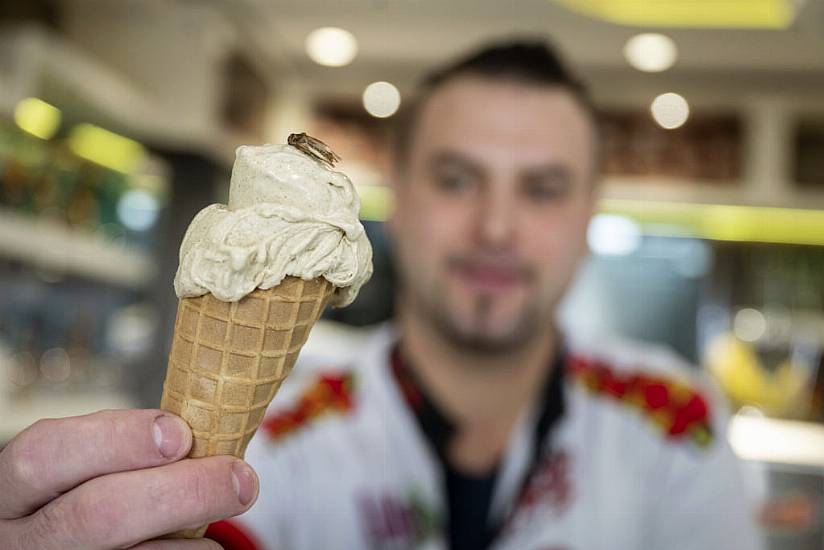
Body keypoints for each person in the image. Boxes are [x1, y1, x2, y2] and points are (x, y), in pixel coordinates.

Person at [0, 40, 762, 550]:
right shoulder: (284, 436)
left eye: (543, 188)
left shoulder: (676, 427)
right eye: (457, 179)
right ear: (399, 193)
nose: (496, 226)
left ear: (590, 211)